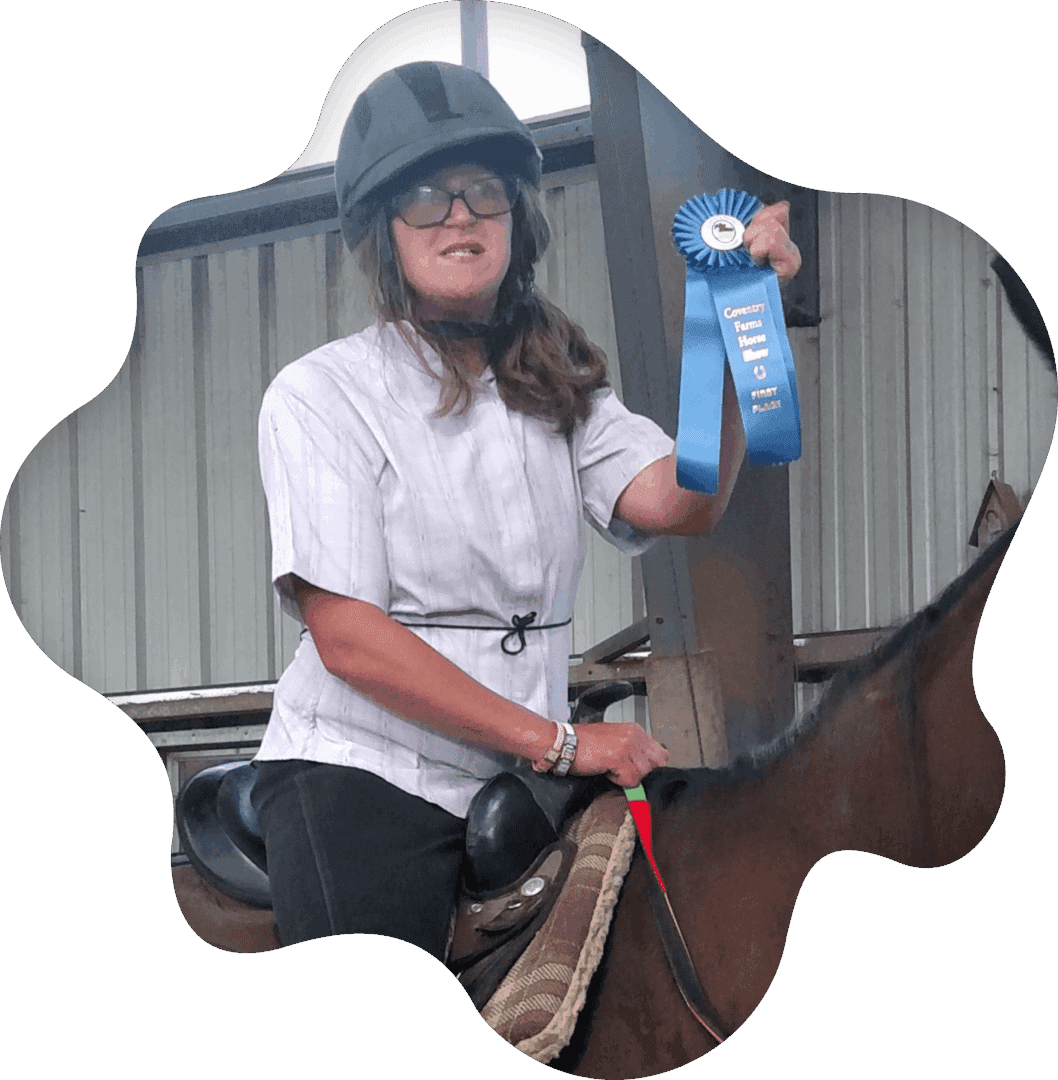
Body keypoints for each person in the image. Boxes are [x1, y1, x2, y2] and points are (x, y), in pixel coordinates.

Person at [250, 61, 801, 957]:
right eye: (425, 197)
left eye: (483, 191)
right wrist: (560, 743)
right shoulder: (320, 395)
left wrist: (744, 328)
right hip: (367, 772)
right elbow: (348, 638)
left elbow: (685, 500)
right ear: (385, 231)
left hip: (519, 771)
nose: (460, 215)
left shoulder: (553, 379)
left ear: (515, 216)